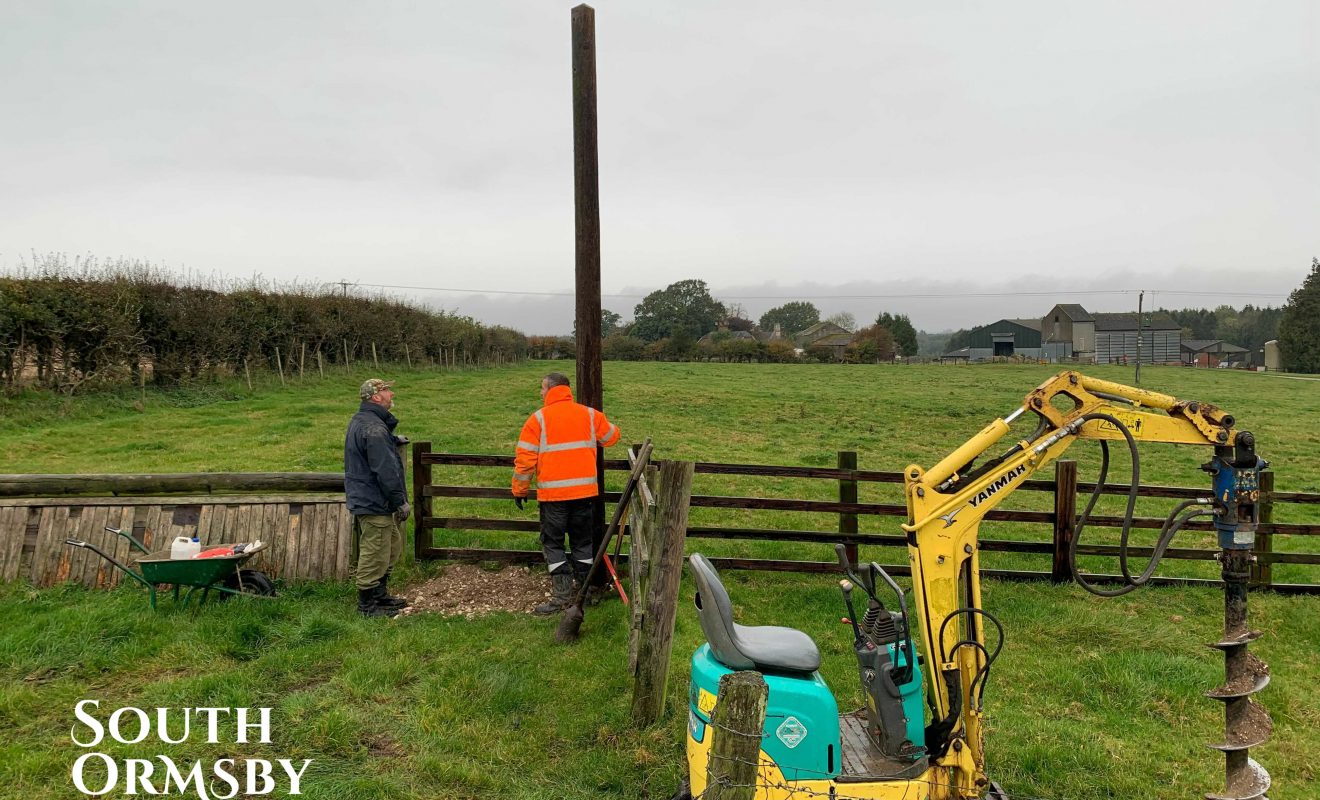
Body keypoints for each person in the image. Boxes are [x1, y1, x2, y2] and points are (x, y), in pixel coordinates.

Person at [512, 372, 621, 615]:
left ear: (551, 390)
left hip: (554, 499)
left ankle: (561, 597)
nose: (540, 393)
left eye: (542, 389)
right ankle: (586, 594)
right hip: (584, 495)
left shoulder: (538, 419)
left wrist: (520, 489)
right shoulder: (589, 415)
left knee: (553, 544)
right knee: (583, 544)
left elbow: (525, 460)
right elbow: (612, 437)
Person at [344, 378, 411, 618]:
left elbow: (373, 450)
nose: (391, 393)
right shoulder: (373, 429)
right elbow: (385, 470)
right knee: (375, 551)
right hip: (374, 501)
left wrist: (392, 441)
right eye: (386, 390)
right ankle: (367, 605)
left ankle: (380, 595)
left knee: (390, 546)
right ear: (375, 397)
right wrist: (400, 501)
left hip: (372, 498)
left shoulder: (368, 423)